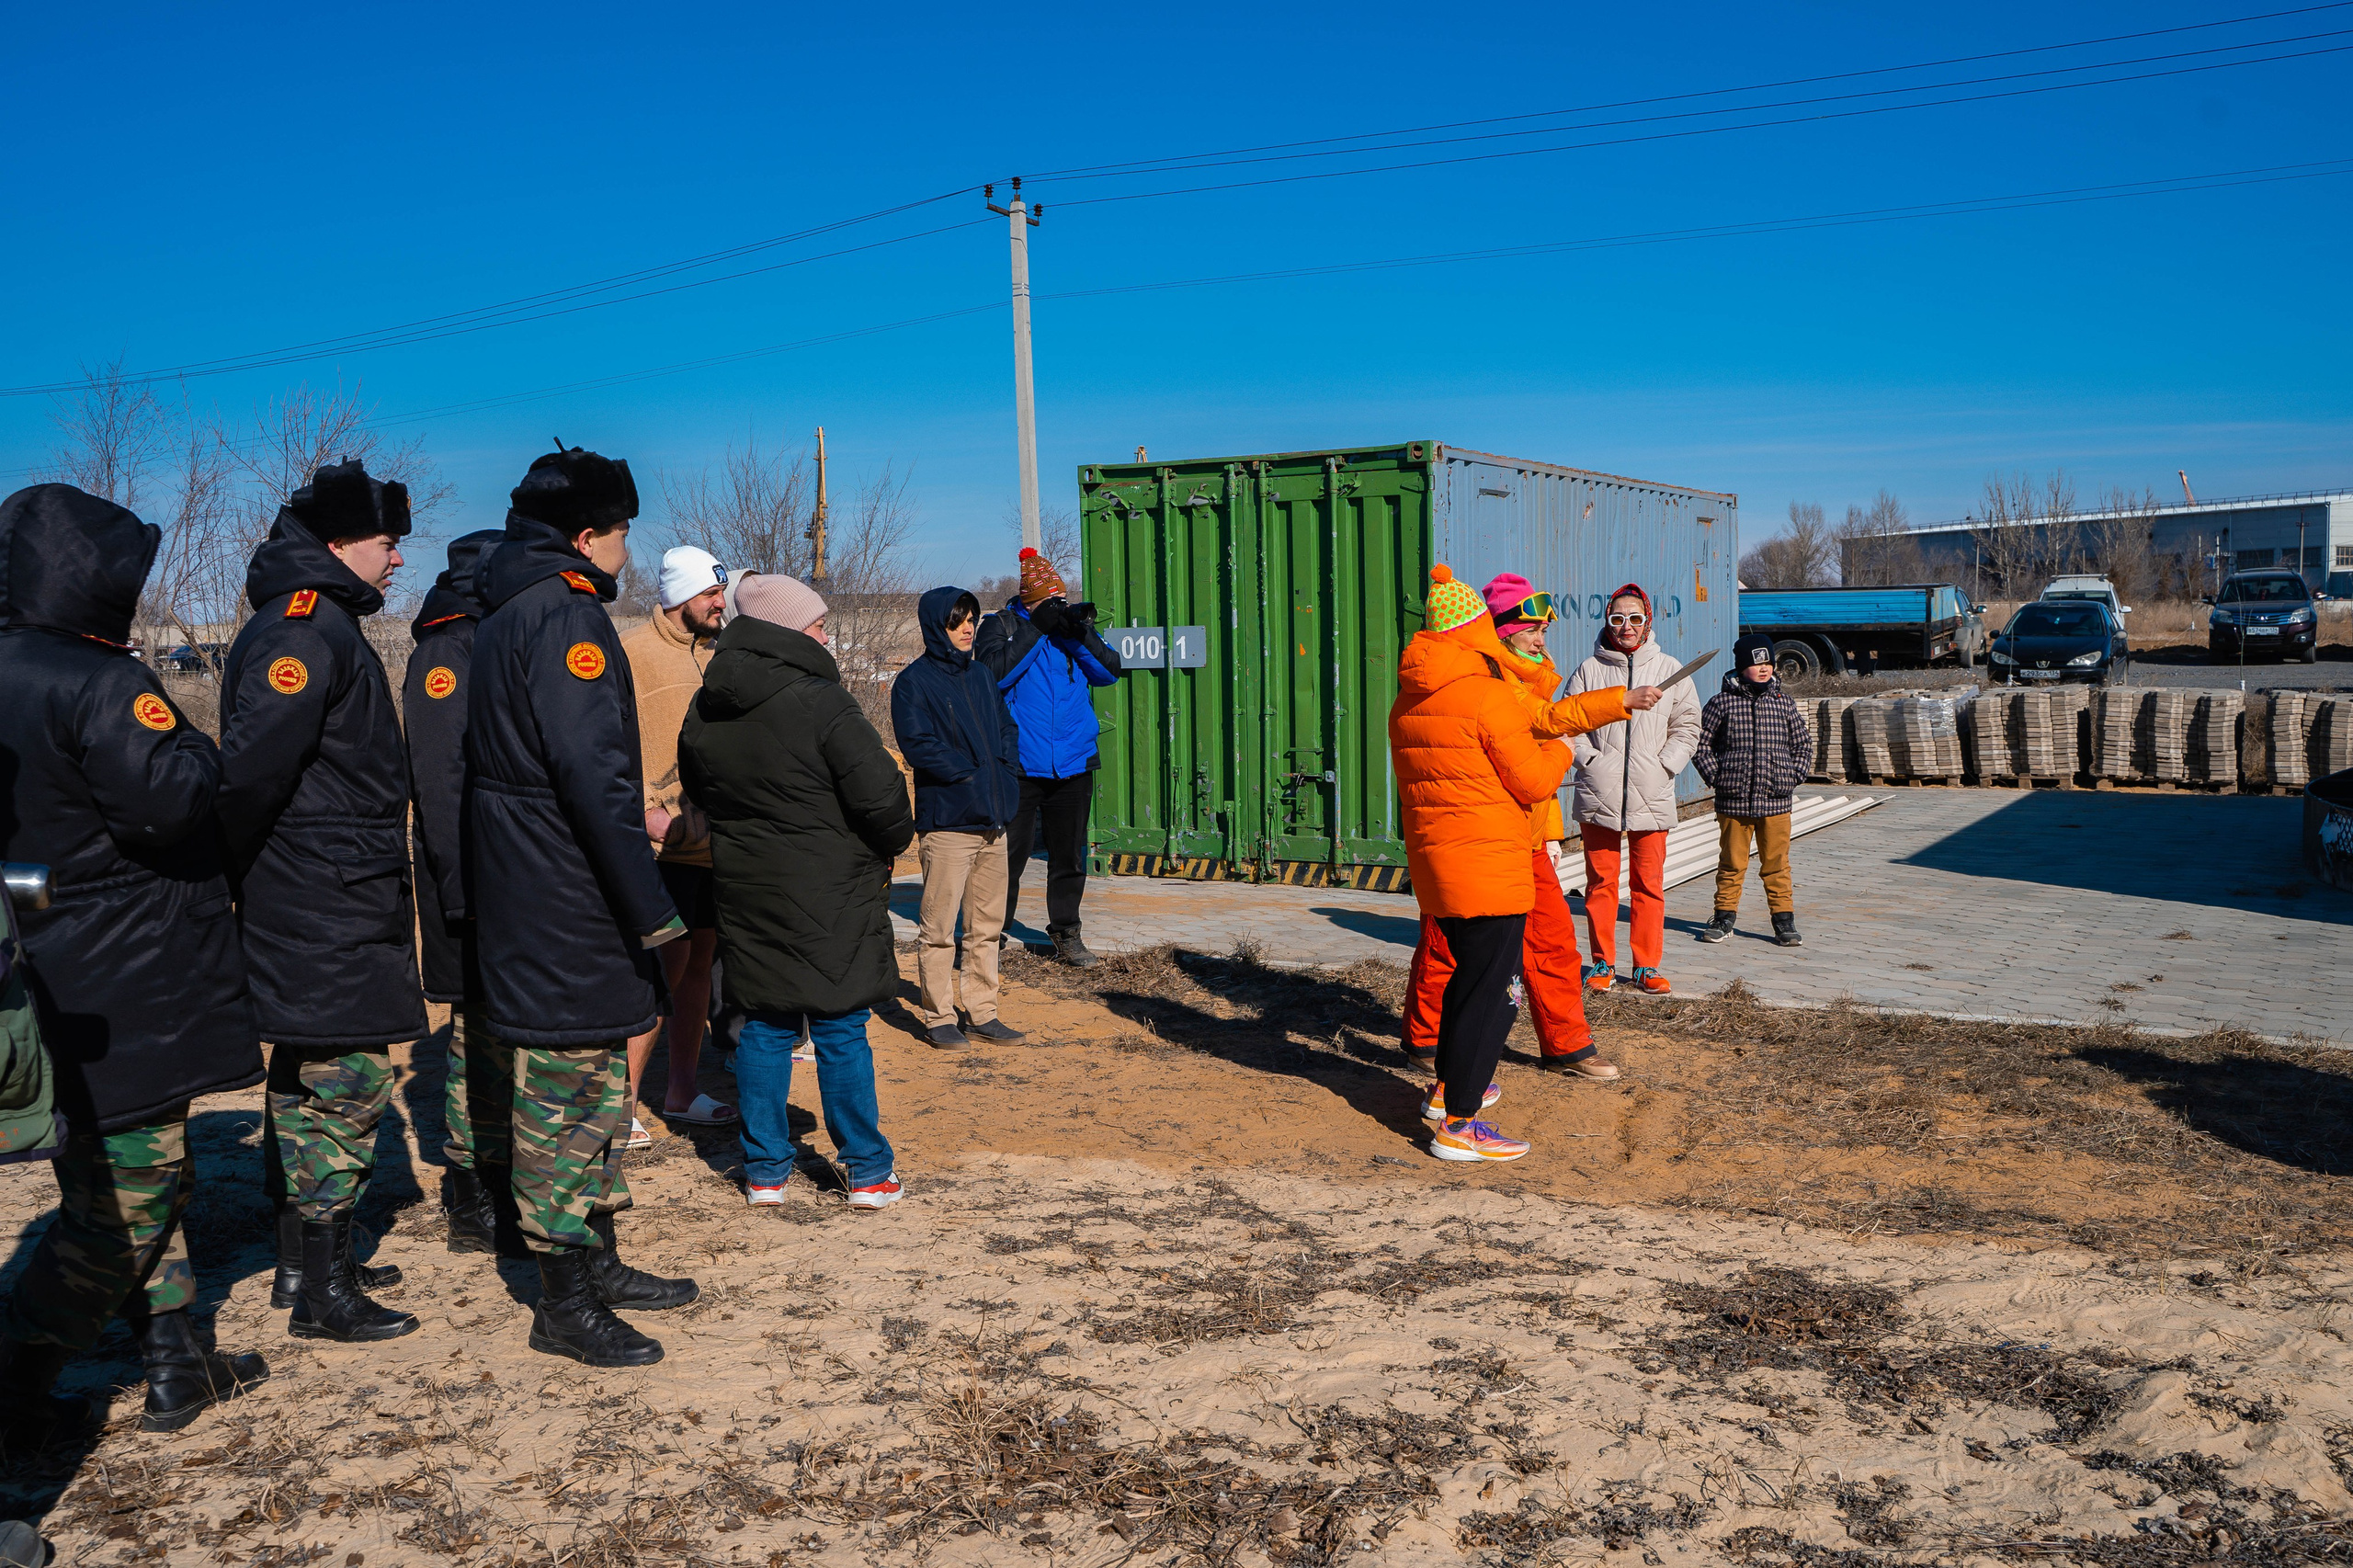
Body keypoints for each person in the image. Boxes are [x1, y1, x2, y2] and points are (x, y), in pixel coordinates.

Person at [0, 483, 269, 1432]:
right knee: (132, 1189)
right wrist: (197, 743)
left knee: (126, 1167)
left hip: (45, 956)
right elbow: (168, 798)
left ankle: (175, 1359)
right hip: (125, 965)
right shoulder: (101, 679)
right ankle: (17, 1365)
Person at [468, 445, 699, 1369]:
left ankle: (596, 1260)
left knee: (598, 1083)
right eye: (621, 532)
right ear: (585, 532)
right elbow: (592, 777)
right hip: (564, 897)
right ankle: (562, 1299)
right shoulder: (561, 616)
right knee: (567, 1095)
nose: (627, 552)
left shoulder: (509, 610)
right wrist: (653, 908)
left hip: (539, 889)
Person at [216, 459, 422, 1346]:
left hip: (334, 886)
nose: (397, 560)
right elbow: (253, 773)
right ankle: (322, 1292)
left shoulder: (321, 620)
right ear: (338, 545)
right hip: (321, 894)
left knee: (311, 1079)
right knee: (345, 1083)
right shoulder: (302, 630)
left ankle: (308, 1264)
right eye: (387, 543)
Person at [679, 573, 916, 1210]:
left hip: (748, 887)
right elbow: (884, 797)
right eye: (816, 624)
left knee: (765, 1025)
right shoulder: (822, 702)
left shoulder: (707, 703)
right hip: (830, 889)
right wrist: (890, 840)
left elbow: (697, 790)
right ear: (788, 632)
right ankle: (867, 1172)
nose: (825, 634)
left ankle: (765, 1172)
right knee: (840, 1027)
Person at [1400, 574, 1649, 1082]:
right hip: (1478, 846)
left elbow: (1541, 739)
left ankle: (1566, 1043)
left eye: (1543, 630)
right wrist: (1614, 705)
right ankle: (1425, 1040)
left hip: (1524, 838)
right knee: (1444, 948)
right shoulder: (1488, 687)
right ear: (1498, 632)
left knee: (1554, 941)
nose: (1541, 640)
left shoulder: (1519, 677)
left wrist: (1552, 833)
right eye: (1531, 630)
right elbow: (1545, 734)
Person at [1391, 566, 1587, 1163]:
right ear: (1478, 630)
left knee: (1463, 982)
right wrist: (1563, 748)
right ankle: (1460, 1124)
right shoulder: (1485, 693)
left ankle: (1448, 1090)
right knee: (1495, 993)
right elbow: (1529, 780)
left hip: (1440, 867)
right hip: (1490, 866)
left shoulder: (1409, 698)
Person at [404, 528, 522, 1257]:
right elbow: (443, 783)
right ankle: (471, 1193)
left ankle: (499, 1176)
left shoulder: (488, 640)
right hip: (469, 881)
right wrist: (463, 890)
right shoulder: (446, 652)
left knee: (502, 1038)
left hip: (502, 878)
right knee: (478, 1039)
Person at [620, 546, 739, 1135]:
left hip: (711, 848)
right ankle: (620, 1106)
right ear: (677, 599)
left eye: (721, 591)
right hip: (658, 851)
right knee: (656, 977)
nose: (722, 602)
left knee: (697, 968)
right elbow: (608, 744)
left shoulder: (718, 658)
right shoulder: (631, 655)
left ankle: (681, 1089)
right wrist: (647, 813)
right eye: (710, 594)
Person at [974, 547, 1121, 967]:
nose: (1055, 607)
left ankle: (1067, 934)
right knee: (1008, 857)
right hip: (1019, 764)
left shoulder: (1066, 633)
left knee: (1069, 858)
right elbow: (991, 675)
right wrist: (1034, 631)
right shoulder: (1000, 626)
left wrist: (1078, 633)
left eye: (1059, 600)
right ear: (1028, 601)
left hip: (1074, 762)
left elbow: (1110, 672)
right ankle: (991, 936)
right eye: (1047, 603)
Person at [892, 587, 1025, 1049]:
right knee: (939, 929)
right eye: (957, 621)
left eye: (971, 619)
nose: (968, 628)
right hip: (948, 824)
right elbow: (918, 745)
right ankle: (939, 1016)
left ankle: (983, 1011)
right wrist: (970, 777)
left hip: (993, 822)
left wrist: (1005, 773)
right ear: (936, 627)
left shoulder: (983, 676)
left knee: (987, 928)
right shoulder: (913, 682)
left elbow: (1007, 729)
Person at [1566, 583, 1702, 995]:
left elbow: (1688, 726)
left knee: (1648, 884)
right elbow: (1566, 724)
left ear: (1648, 623)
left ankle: (1646, 965)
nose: (1626, 627)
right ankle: (1603, 963)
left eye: (1635, 619)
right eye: (1617, 618)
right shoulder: (1589, 671)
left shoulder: (1670, 669)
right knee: (1600, 884)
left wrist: (1665, 766)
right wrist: (1591, 763)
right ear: (1608, 621)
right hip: (1598, 792)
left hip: (1652, 792)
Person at [1695, 632, 1814, 949]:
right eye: (1755, 663)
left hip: (1776, 800)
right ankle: (1723, 919)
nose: (1764, 669)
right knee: (1732, 864)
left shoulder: (1783, 703)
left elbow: (1802, 744)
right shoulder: (1722, 703)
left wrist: (1793, 775)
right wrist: (1718, 778)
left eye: (1768, 663)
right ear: (1740, 666)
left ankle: (1784, 923)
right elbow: (1701, 744)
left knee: (1776, 865)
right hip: (1734, 802)